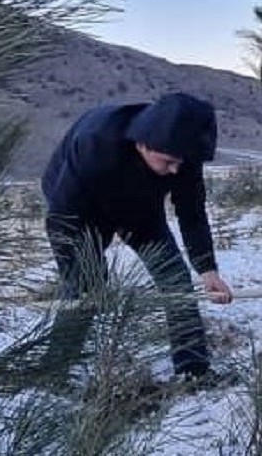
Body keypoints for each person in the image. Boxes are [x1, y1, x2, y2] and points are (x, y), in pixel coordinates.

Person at [39, 92, 232, 383]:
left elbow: (191, 212)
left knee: (175, 280)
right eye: (168, 162)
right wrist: (85, 272)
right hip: (82, 207)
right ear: (142, 143)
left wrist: (207, 268)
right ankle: (53, 374)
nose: (176, 170)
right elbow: (61, 220)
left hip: (141, 208)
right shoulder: (95, 142)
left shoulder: (182, 152)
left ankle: (193, 371)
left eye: (182, 162)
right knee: (83, 286)